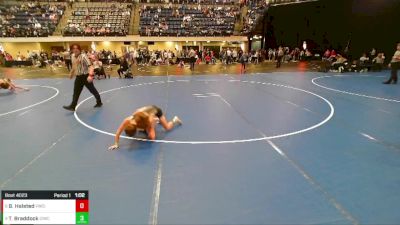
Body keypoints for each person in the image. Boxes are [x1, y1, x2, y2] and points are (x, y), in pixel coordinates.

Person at [108, 105, 182, 150]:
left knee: (166, 128)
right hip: (146, 113)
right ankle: (154, 122)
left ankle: (175, 119)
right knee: (146, 128)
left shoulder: (148, 119)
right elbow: (118, 131)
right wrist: (116, 144)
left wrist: (153, 124)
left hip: (156, 112)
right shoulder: (127, 120)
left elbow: (152, 136)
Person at [63, 44, 102, 111]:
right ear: (72, 50)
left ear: (79, 49)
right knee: (76, 92)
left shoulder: (83, 56)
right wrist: (71, 73)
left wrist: (90, 76)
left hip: (86, 77)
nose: (75, 49)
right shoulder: (72, 56)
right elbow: (74, 65)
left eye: (77, 48)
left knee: (92, 90)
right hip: (78, 77)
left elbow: (90, 66)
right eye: (73, 48)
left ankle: (99, 102)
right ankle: (73, 106)